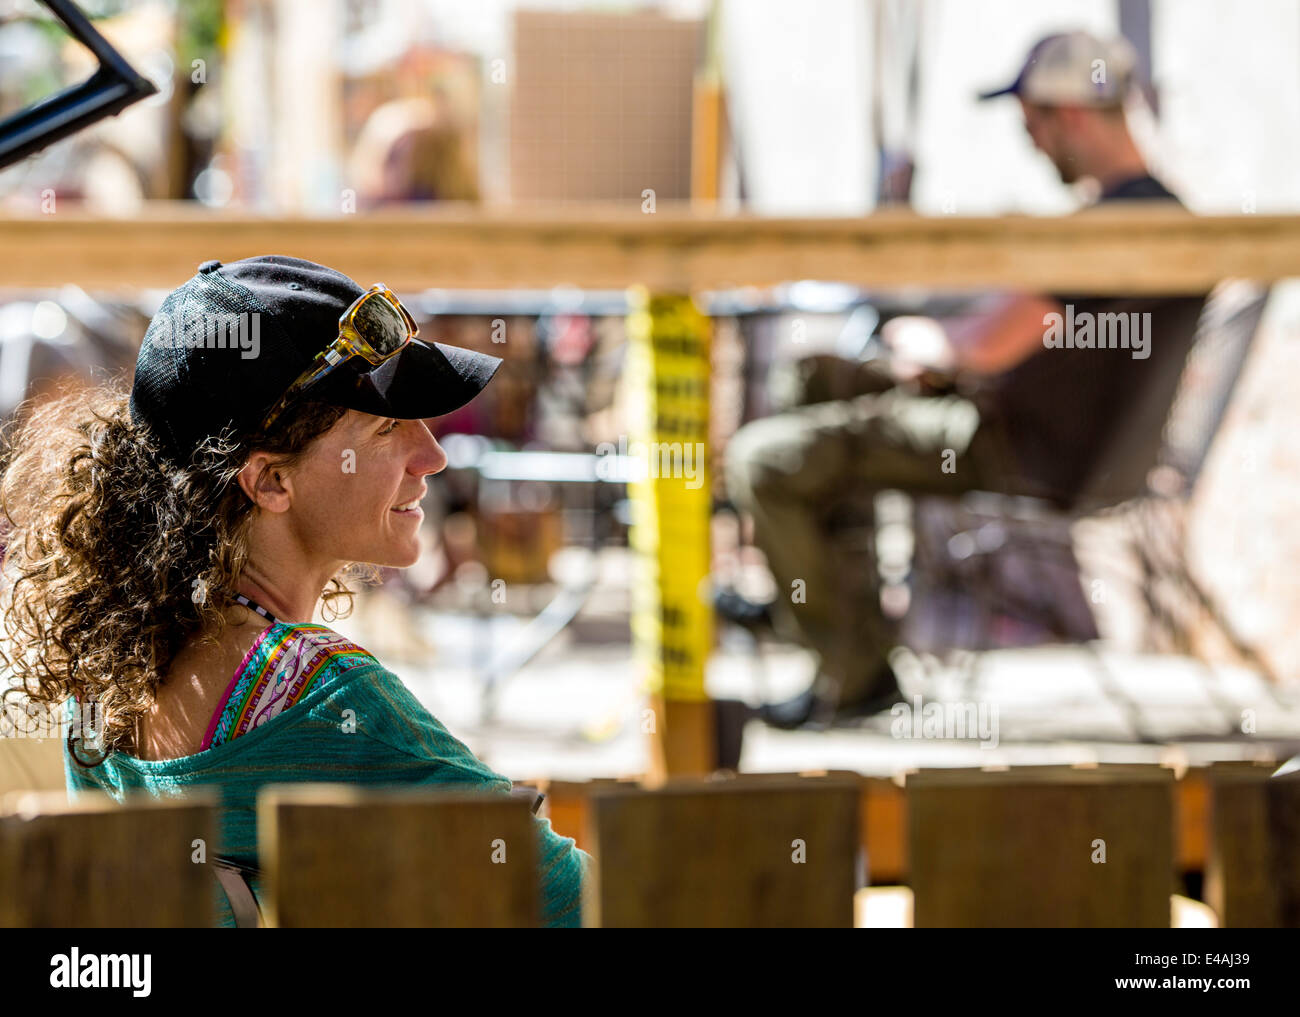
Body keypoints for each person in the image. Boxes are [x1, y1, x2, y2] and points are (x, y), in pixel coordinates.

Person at [0, 255, 588, 927]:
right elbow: (586, 904)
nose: (433, 455)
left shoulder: (101, 679)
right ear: (271, 481)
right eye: (388, 427)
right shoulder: (334, 703)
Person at [724, 31, 1208, 729]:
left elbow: (987, 345)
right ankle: (812, 604)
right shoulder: (1161, 213)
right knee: (813, 378)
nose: (1031, 141)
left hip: (1018, 449)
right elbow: (1035, 331)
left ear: (1068, 114)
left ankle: (844, 656)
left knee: (764, 459)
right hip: (1042, 437)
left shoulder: (1118, 226)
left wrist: (927, 342)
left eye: (1032, 122)